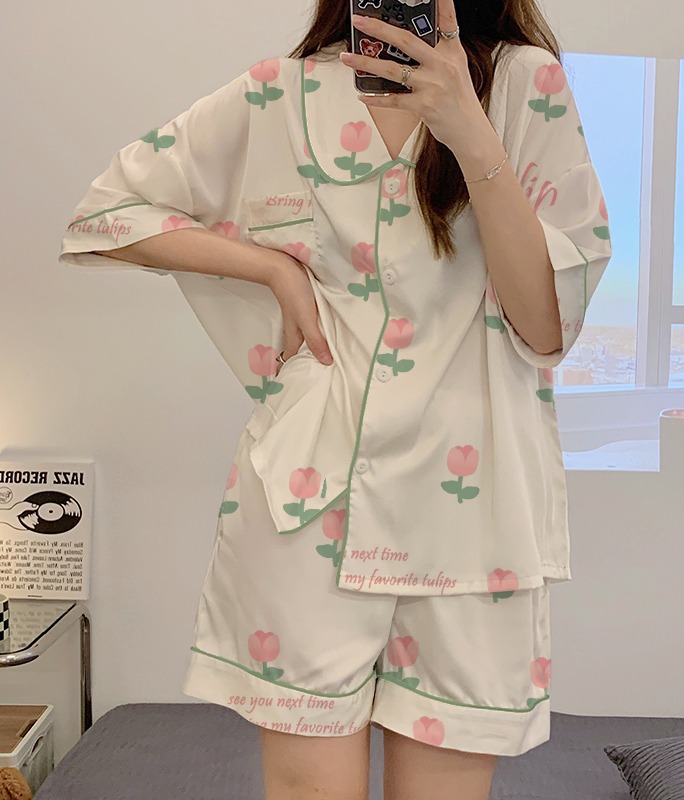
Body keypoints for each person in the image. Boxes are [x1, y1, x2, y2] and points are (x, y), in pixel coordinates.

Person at [59, 0, 613, 797]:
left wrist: (468, 129)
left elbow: (545, 327)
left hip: (474, 520)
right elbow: (107, 212)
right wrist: (270, 267)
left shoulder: (525, 84)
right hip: (308, 503)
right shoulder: (281, 93)